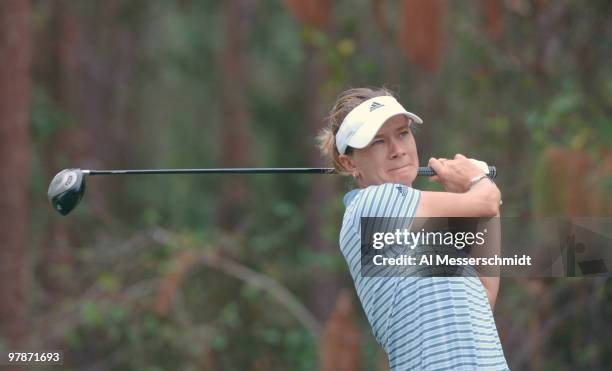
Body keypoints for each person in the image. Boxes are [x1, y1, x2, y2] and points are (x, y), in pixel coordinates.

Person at [317, 87, 508, 370]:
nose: (397, 150)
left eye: (403, 133)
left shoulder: (428, 231)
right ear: (349, 163)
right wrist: (477, 181)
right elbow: (488, 200)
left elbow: (485, 292)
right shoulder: (373, 205)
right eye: (378, 142)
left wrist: (481, 200)